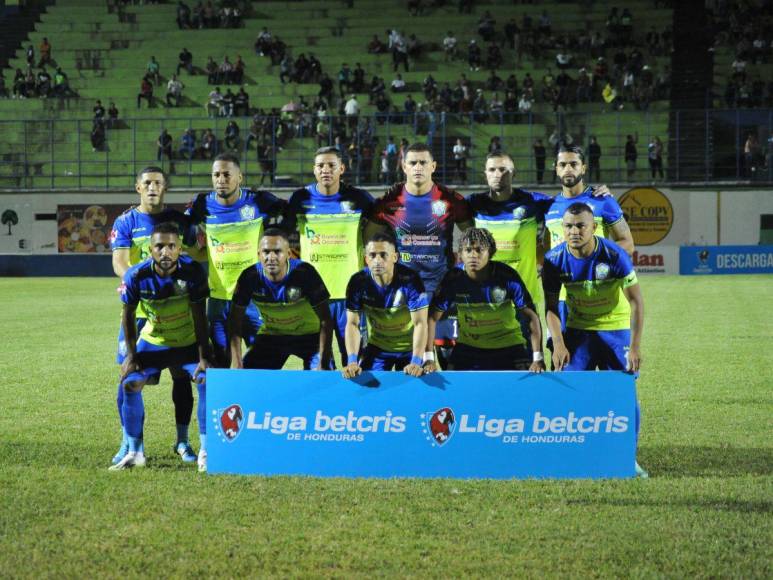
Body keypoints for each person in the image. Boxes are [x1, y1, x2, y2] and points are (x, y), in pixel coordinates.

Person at [542, 202, 646, 477]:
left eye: (580, 226)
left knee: (623, 395)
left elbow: (636, 301)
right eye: (568, 226)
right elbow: (551, 308)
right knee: (567, 390)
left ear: (594, 227)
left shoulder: (613, 254)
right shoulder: (554, 260)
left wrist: (634, 347)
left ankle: (628, 458)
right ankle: (574, 455)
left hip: (615, 329)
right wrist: (560, 344)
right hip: (578, 329)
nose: (574, 231)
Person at [109, 167, 201, 467]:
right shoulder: (126, 221)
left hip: (174, 307)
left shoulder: (180, 222)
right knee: (128, 374)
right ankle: (129, 444)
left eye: (158, 183)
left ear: (165, 187)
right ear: (138, 187)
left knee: (181, 375)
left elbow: (197, 255)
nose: (152, 188)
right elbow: (120, 263)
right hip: (139, 309)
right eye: (147, 183)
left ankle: (183, 441)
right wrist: (144, 286)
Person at [186, 153, 285, 367]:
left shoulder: (258, 201)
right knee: (221, 360)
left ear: (239, 177)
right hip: (219, 299)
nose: (221, 179)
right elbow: (190, 242)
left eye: (226, 174)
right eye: (216, 175)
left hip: (255, 296)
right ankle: (229, 402)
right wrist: (199, 250)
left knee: (264, 358)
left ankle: (258, 400)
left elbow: (290, 215)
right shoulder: (202, 205)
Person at [282, 147, 375, 366]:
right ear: (314, 170)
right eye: (320, 165)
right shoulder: (300, 199)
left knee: (356, 362)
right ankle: (321, 402)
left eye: (331, 165)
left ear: (341, 168)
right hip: (313, 295)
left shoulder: (360, 199)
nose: (326, 170)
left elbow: (375, 234)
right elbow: (282, 235)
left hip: (350, 294)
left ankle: (357, 401)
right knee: (318, 363)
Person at [426, 228, 545, 372]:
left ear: (491, 253)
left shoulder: (507, 276)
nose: (473, 255)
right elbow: (431, 318)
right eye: (468, 250)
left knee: (518, 393)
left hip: (509, 346)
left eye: (479, 250)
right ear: (461, 254)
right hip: (468, 348)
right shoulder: (453, 278)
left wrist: (538, 358)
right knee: (457, 392)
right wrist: (428, 359)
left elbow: (531, 316)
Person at [229, 229, 333, 370]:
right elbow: (235, 321)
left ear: (288, 254)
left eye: (277, 251)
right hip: (272, 336)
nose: (271, 257)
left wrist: (324, 363)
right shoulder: (249, 277)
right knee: (247, 379)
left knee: (323, 380)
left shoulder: (305, 273)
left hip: (310, 337)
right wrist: (237, 363)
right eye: (266, 252)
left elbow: (326, 319)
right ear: (259, 254)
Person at [343, 232, 428, 378]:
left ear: (395, 257)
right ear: (366, 259)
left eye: (383, 255)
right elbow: (352, 324)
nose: (377, 260)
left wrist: (416, 360)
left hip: (410, 350)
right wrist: (352, 361)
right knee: (367, 391)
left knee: (413, 394)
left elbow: (421, 323)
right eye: (372, 255)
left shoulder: (411, 280)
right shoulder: (357, 282)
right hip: (378, 349)